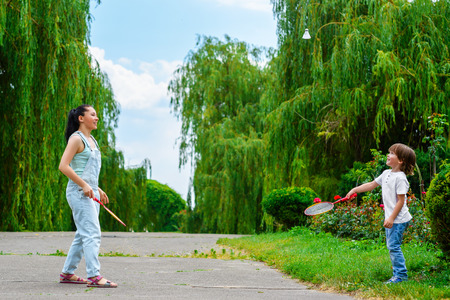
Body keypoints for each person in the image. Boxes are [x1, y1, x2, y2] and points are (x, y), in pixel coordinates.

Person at [58, 104, 117, 288]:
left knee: (82, 235)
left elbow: (84, 169)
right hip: (78, 193)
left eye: (96, 114)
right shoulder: (76, 139)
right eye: (92, 114)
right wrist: (84, 185)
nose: (96, 117)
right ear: (81, 118)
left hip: (90, 193)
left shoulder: (92, 140)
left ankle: (68, 273)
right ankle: (94, 276)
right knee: (92, 234)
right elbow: (64, 166)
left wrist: (95, 187)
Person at [346, 143, 416, 284]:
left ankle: (400, 276)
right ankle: (398, 273)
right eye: (389, 152)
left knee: (393, 246)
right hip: (392, 218)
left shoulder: (401, 178)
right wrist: (355, 190)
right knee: (392, 245)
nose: (388, 155)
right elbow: (371, 185)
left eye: (391, 153)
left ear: (401, 160)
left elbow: (401, 202)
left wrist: (391, 218)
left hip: (398, 219)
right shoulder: (386, 173)